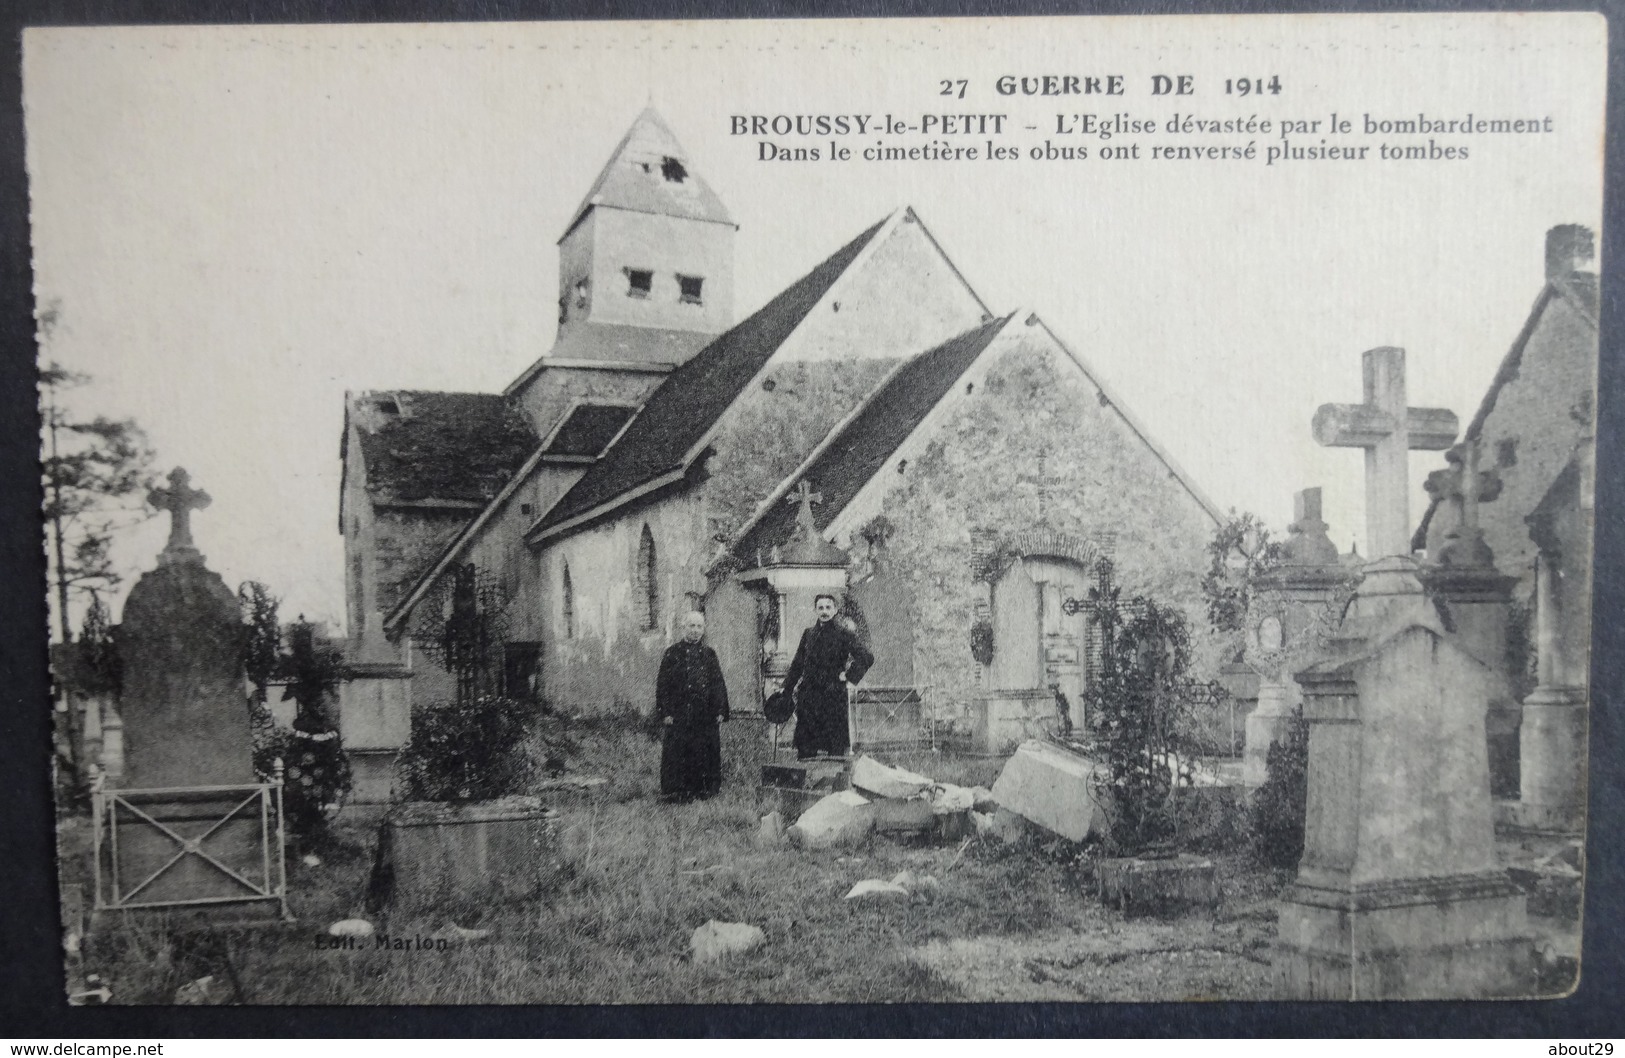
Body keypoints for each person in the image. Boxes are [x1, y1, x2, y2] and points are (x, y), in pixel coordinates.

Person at [783, 593, 874, 759]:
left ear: (835, 610)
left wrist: (848, 676)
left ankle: (833, 782)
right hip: (809, 699)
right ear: (815, 610)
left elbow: (866, 657)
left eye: (828, 607)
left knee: (834, 750)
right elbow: (797, 664)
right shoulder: (808, 634)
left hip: (832, 698)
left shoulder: (844, 634)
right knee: (806, 749)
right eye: (820, 608)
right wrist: (786, 689)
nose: (824, 611)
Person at [655, 611, 730, 801]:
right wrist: (666, 712)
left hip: (704, 713)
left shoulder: (709, 654)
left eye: (699, 627)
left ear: (704, 629)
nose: (695, 631)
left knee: (704, 749)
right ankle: (676, 791)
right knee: (679, 750)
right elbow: (663, 685)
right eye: (692, 626)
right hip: (679, 713)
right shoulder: (672, 653)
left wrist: (720, 709)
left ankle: (705, 789)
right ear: (684, 627)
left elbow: (718, 684)